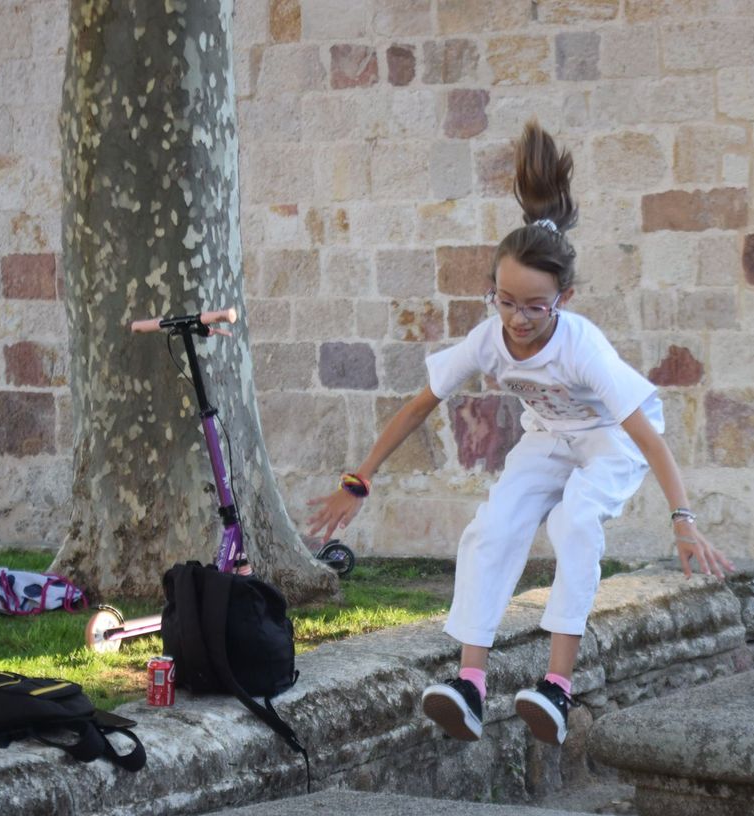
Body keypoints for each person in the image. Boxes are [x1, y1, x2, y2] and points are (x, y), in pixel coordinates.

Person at [305, 120, 731, 746]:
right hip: (550, 436)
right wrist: (359, 480)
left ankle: (556, 687)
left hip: (611, 439)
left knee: (575, 521)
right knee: (492, 527)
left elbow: (648, 438)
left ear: (565, 297)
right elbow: (419, 406)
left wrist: (683, 518)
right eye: (506, 301)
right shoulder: (488, 339)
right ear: (493, 292)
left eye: (535, 306)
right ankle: (470, 684)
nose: (519, 319)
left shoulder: (583, 349)